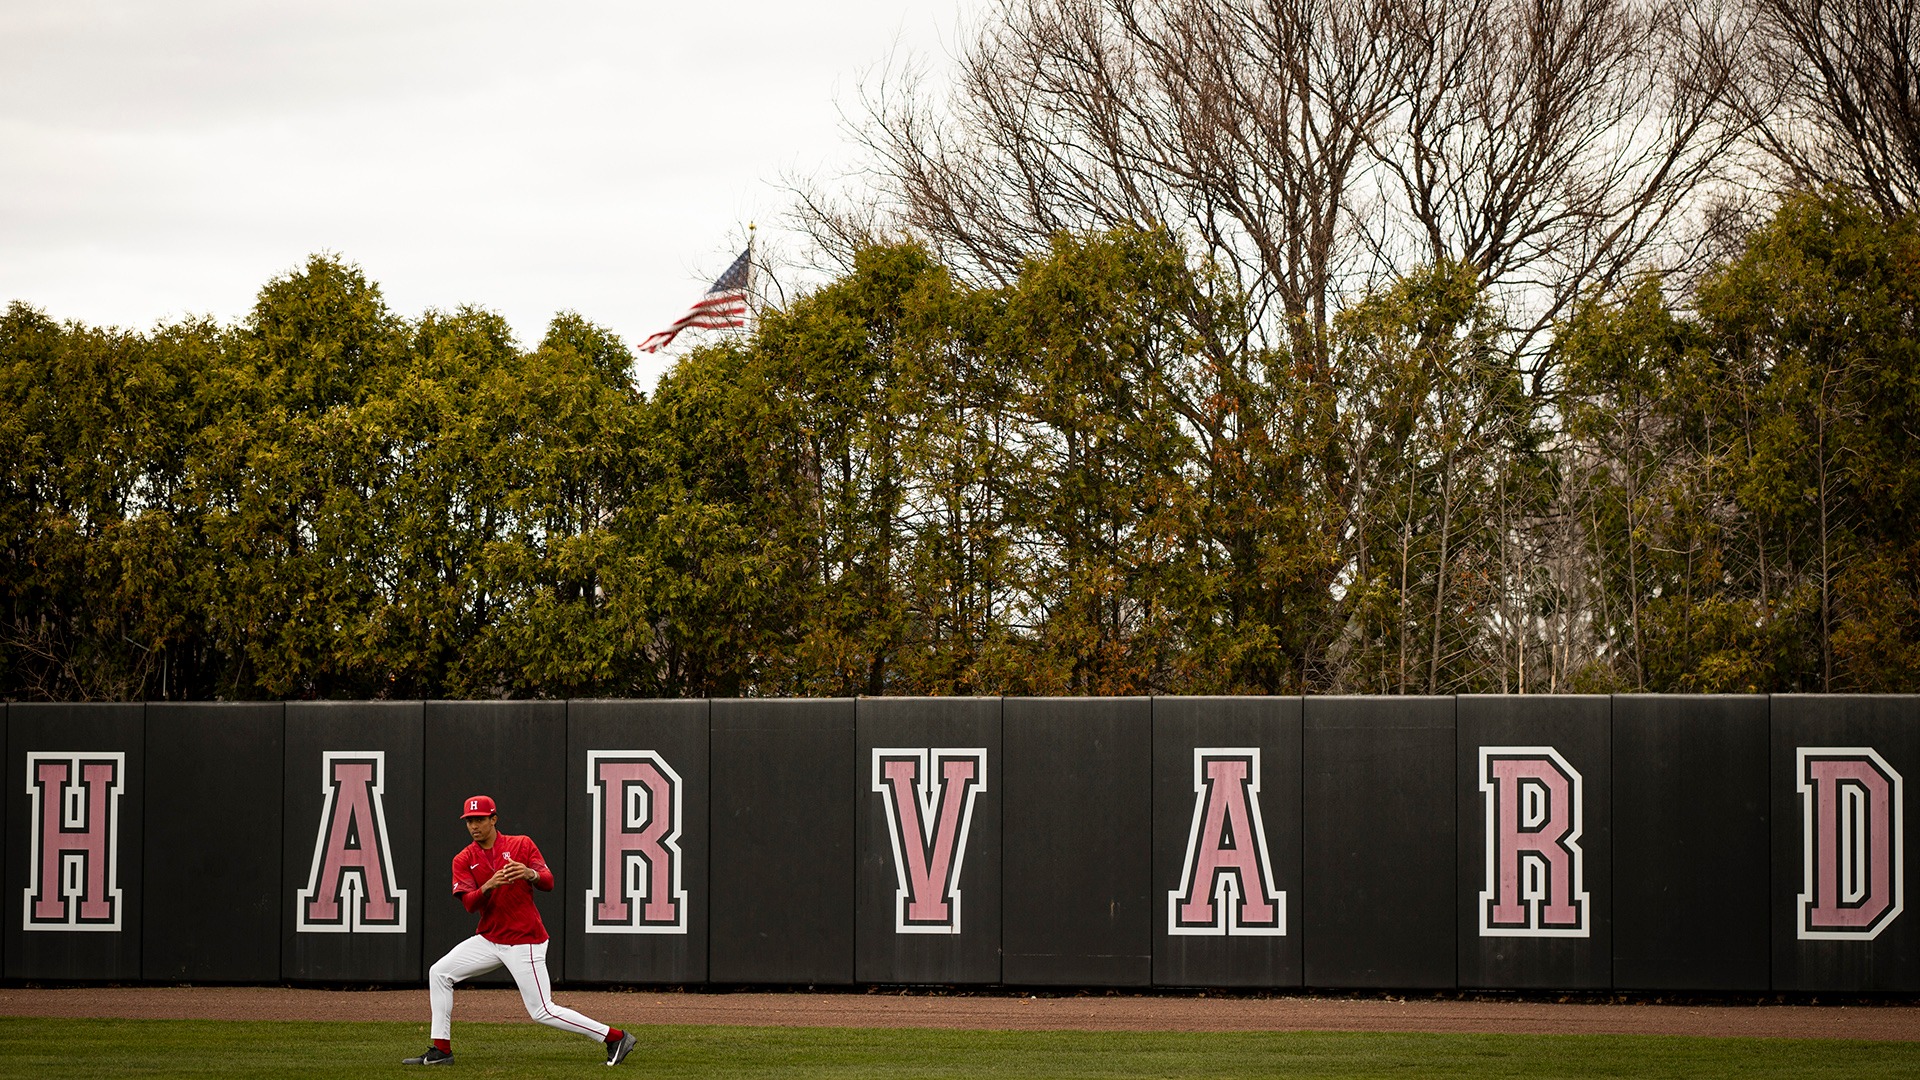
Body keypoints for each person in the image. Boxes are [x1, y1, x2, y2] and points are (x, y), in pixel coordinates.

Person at [403, 794, 637, 1067]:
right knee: (439, 972)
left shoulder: (521, 844)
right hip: (490, 939)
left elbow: (548, 882)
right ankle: (441, 1051)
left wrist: (530, 874)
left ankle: (615, 1037)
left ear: (494, 819)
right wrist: (488, 886)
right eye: (469, 821)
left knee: (542, 1011)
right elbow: (468, 903)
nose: (474, 826)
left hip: (525, 940)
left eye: (479, 819)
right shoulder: (464, 858)